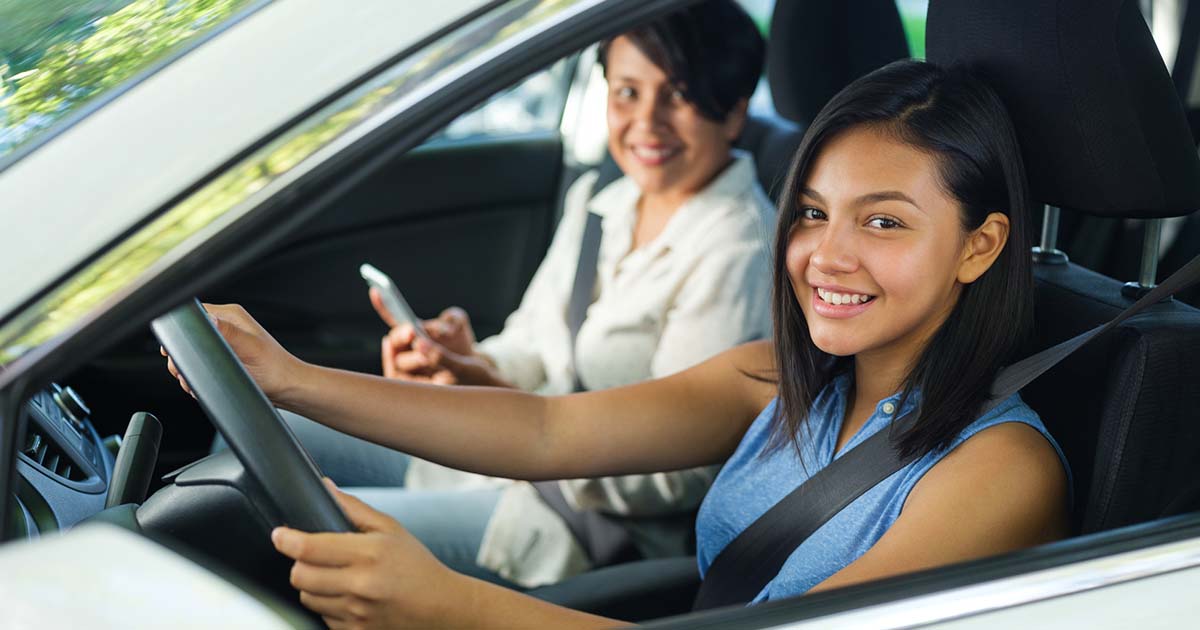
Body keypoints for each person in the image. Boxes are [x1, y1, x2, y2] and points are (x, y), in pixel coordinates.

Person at [167, 59, 1071, 627]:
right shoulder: (779, 379)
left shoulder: (1000, 471)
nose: (827, 256)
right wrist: (287, 380)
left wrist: (449, 606)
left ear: (980, 247)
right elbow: (547, 434)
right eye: (812, 212)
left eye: (883, 222)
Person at [270, 0, 775, 590]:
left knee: (290, 529)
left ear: (734, 111)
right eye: (626, 93)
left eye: (679, 95)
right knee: (270, 427)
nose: (647, 122)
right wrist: (468, 365)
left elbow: (676, 472)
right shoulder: (599, 201)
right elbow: (533, 342)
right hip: (500, 462)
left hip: (577, 524)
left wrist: (503, 407)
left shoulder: (741, 246)